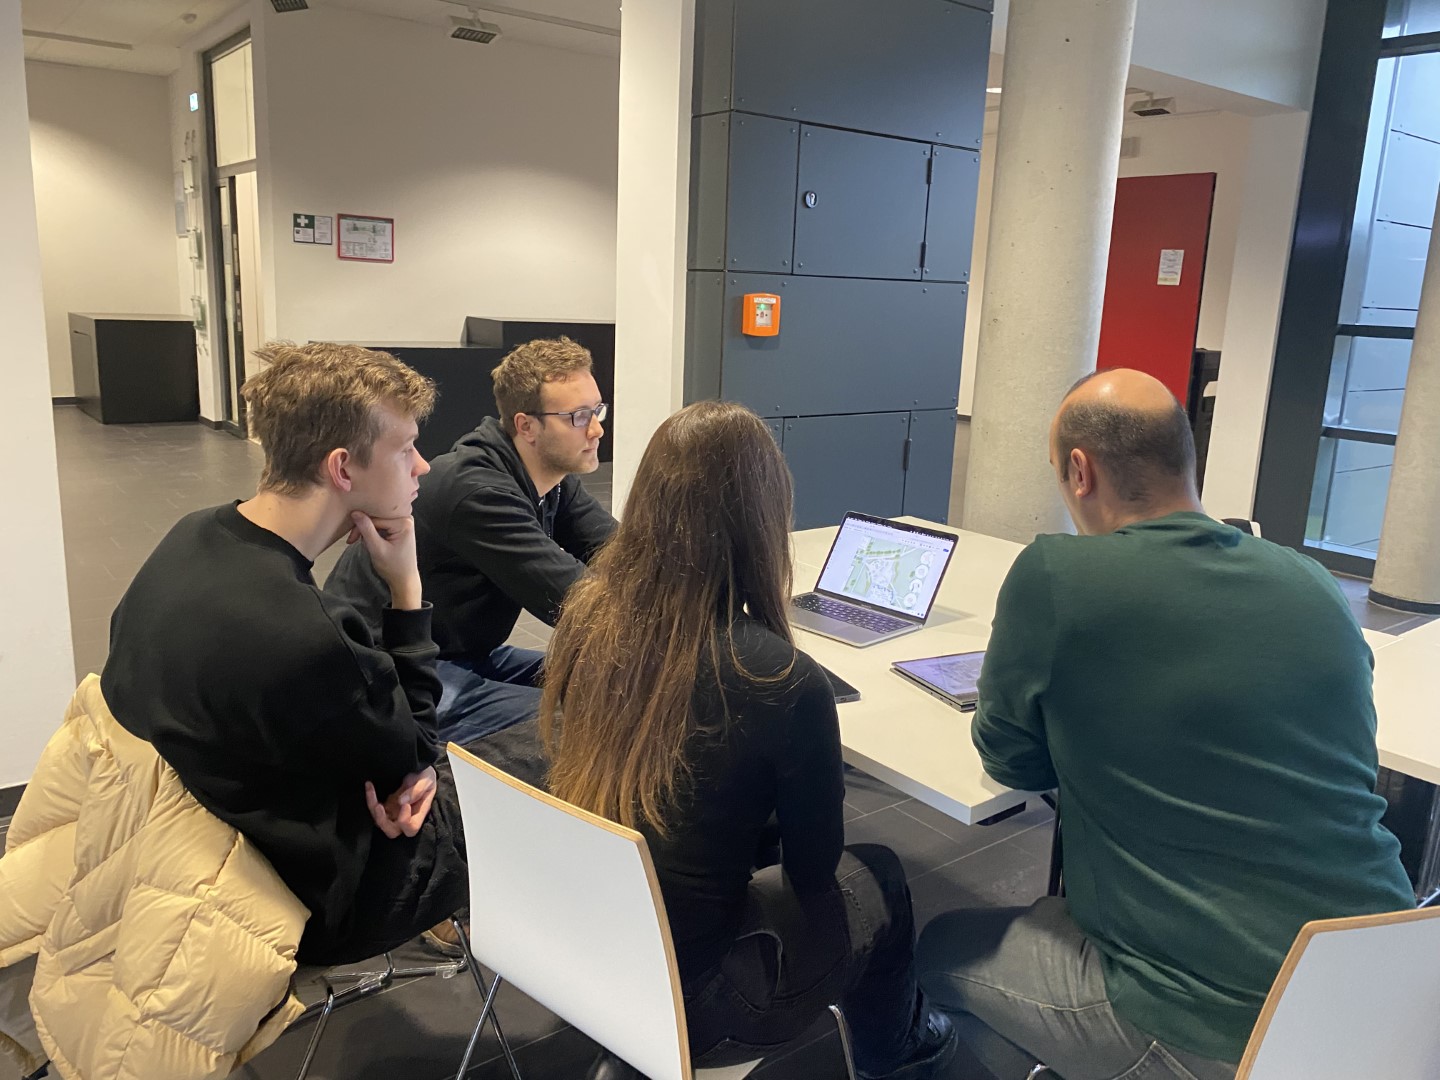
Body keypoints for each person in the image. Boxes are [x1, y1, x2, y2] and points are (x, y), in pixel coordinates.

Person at [917, 368, 1415, 1079]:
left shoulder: (1056, 575)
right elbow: (1343, 757)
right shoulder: (1312, 583)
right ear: (1186, 457)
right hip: (1389, 999)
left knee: (940, 947)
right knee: (1054, 920)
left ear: (1080, 472)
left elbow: (1012, 762)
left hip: (1214, 1029)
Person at [539, 401, 957, 1080]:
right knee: (880, 870)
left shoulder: (591, 621)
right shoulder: (780, 678)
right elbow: (815, 873)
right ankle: (899, 1051)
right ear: (762, 518)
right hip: (702, 1004)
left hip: (588, 963)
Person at [102, 342, 469, 965]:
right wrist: (407, 589)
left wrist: (396, 772)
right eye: (406, 448)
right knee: (526, 768)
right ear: (342, 469)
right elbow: (415, 757)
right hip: (312, 901)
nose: (423, 467)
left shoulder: (191, 533)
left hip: (180, 844)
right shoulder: (310, 635)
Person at [325, 336, 615, 747]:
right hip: (389, 669)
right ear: (526, 426)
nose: (597, 428)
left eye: (597, 410)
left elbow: (623, 554)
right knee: (587, 723)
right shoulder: (478, 491)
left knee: (609, 686)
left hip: (463, 653)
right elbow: (579, 605)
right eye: (578, 416)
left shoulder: (551, 479)